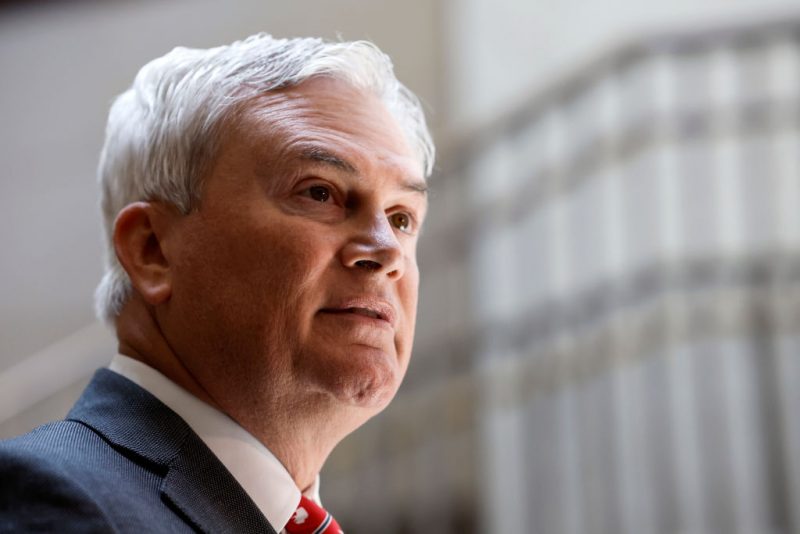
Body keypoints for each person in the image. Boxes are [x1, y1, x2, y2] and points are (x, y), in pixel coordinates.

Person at [0, 33, 434, 533]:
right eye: (320, 192)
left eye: (402, 218)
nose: (387, 253)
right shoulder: (52, 502)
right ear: (152, 251)